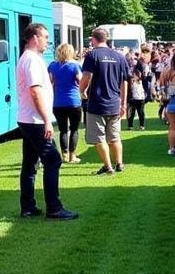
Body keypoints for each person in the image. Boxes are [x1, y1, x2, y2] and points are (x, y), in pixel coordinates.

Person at [17, 23, 79, 220]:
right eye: (45, 37)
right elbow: (35, 91)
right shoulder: (33, 60)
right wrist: (46, 120)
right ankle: (54, 207)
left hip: (27, 118)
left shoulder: (28, 58)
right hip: (34, 120)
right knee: (52, 160)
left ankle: (28, 207)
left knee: (30, 164)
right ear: (34, 38)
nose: (47, 41)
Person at [80, 27, 128, 174]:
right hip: (114, 102)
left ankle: (108, 166)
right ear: (106, 39)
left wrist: (81, 90)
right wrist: (123, 103)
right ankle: (119, 163)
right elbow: (125, 81)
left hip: (97, 103)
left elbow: (86, 76)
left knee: (99, 137)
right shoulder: (119, 56)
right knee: (114, 136)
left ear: (93, 39)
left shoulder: (92, 55)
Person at [48, 42, 83, 163]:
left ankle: (64, 154)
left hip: (58, 102)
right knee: (74, 129)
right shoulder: (75, 66)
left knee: (63, 130)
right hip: (73, 101)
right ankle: (72, 156)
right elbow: (80, 81)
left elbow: (50, 81)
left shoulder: (53, 66)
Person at [127, 55, 148, 129]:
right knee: (131, 112)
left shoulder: (141, 74)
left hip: (140, 95)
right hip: (132, 95)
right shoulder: (130, 72)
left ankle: (141, 125)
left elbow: (145, 84)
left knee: (140, 112)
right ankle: (130, 125)